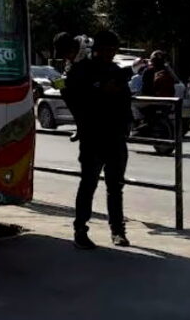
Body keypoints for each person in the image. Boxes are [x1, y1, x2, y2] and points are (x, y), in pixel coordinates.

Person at [64, 30, 132, 249]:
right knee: (88, 185)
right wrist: (100, 90)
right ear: (96, 49)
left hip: (115, 137)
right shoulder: (81, 70)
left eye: (113, 50)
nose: (110, 54)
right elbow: (74, 96)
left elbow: (125, 102)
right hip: (93, 136)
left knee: (115, 187)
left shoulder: (116, 71)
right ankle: (80, 231)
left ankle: (117, 231)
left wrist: (124, 129)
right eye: (106, 49)